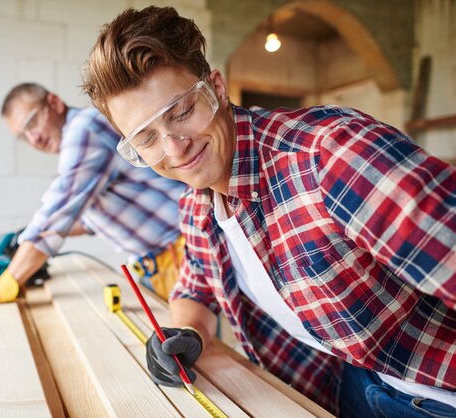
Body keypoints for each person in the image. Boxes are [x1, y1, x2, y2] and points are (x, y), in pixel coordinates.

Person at [81, 6, 456, 417]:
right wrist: (187, 333)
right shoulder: (197, 203)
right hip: (346, 382)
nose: (174, 148)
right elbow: (197, 289)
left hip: (433, 395)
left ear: (217, 89)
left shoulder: (331, 156)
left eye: (182, 112)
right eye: (146, 137)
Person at [0, 82, 187, 312]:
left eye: (32, 123)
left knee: (196, 351)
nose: (33, 139)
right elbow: (87, 219)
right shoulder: (81, 144)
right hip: (157, 265)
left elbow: (56, 213)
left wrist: (3, 286)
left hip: (180, 254)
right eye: (23, 136)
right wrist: (21, 237)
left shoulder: (84, 129)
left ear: (55, 103)